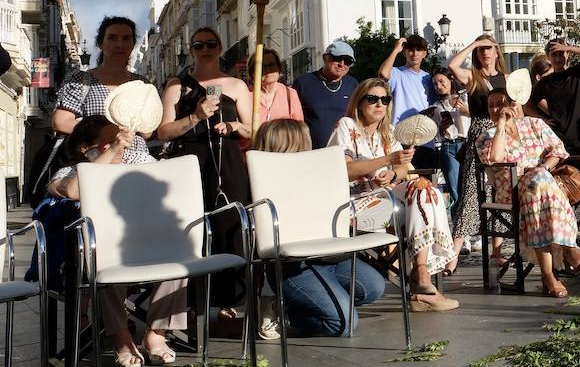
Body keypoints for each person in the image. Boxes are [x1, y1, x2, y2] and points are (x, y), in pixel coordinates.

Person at [44, 115, 187, 367]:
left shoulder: (137, 161)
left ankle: (156, 334)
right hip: (97, 250)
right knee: (104, 259)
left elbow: (171, 182)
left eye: (121, 139)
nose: (121, 144)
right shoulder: (70, 170)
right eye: (108, 141)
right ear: (84, 148)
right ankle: (121, 338)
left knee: (180, 255)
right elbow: (74, 191)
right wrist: (113, 152)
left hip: (145, 242)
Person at [329, 78, 459, 311]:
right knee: (421, 197)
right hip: (354, 204)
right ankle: (421, 288)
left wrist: (392, 175)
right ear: (360, 102)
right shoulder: (346, 126)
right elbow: (344, 170)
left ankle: (421, 272)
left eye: (385, 99)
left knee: (425, 189)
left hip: (387, 199)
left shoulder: (389, 132)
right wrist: (386, 161)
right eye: (373, 99)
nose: (379, 104)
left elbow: (402, 168)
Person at [155, 26, 256, 321]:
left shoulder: (236, 86)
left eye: (211, 43)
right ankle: (191, 299)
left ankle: (231, 300)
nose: (205, 48)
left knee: (229, 224)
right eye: (198, 44)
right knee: (191, 226)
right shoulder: (178, 86)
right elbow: (163, 131)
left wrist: (235, 126)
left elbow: (253, 129)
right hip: (190, 160)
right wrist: (195, 116)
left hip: (227, 160)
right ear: (191, 49)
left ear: (220, 46)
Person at [253, 118, 386, 336]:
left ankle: (302, 304)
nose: (310, 146)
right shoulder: (262, 184)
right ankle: (284, 314)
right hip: (295, 264)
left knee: (372, 286)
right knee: (343, 324)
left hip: (329, 256)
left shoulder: (317, 173)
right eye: (304, 141)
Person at [477, 72, 580, 297]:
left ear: (512, 103)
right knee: (538, 184)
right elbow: (493, 159)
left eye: (499, 104)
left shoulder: (534, 124)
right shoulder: (487, 136)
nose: (495, 109)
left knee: (539, 182)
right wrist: (502, 125)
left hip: (544, 189)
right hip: (511, 190)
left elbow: (558, 150)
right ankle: (569, 249)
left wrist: (544, 168)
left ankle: (548, 275)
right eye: (490, 106)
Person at [530, 39, 580, 262]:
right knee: (564, 190)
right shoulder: (545, 83)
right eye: (554, 54)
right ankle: (569, 241)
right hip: (560, 143)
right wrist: (544, 120)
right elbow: (527, 105)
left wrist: (570, 48)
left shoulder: (579, 73)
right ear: (548, 56)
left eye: (561, 54)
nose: (558, 58)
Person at [53, 16, 151, 163]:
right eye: (112, 38)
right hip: (95, 160)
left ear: (132, 44)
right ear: (100, 43)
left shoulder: (141, 84)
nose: (119, 44)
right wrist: (109, 135)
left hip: (135, 160)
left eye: (126, 39)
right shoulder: (80, 80)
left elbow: (147, 130)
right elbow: (60, 122)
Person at [448, 33, 507, 250]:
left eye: (489, 47)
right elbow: (452, 65)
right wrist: (474, 43)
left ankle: (497, 250)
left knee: (499, 189)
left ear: (496, 50)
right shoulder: (473, 77)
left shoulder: (505, 78)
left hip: (500, 135)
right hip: (479, 134)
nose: (485, 52)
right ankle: (454, 253)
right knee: (472, 190)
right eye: (481, 49)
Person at [378, 34, 440, 172]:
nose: (414, 54)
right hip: (400, 138)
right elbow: (382, 74)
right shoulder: (396, 73)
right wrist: (395, 50)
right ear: (405, 52)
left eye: (419, 50)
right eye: (410, 50)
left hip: (425, 138)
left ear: (425, 53)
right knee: (404, 182)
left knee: (426, 184)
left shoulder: (429, 78)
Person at [423, 67, 468, 250]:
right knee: (455, 191)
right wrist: (441, 127)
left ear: (450, 80)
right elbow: (435, 133)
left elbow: (476, 117)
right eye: (435, 84)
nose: (439, 86)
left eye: (442, 81)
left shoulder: (464, 97)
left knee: (471, 189)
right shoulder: (436, 106)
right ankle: (460, 237)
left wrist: (463, 109)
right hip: (449, 146)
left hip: (467, 143)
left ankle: (473, 233)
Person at [293, 41, 359, 149]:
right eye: (337, 58)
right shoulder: (303, 83)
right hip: (311, 151)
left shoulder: (353, 84)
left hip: (344, 151)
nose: (342, 64)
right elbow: (293, 120)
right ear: (325, 58)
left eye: (347, 61)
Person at [243, 47, 303, 151]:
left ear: (279, 68)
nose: (268, 70)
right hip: (255, 154)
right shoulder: (246, 96)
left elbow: (299, 129)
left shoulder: (290, 94)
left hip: (284, 153)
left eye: (272, 65)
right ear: (253, 72)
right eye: (261, 67)